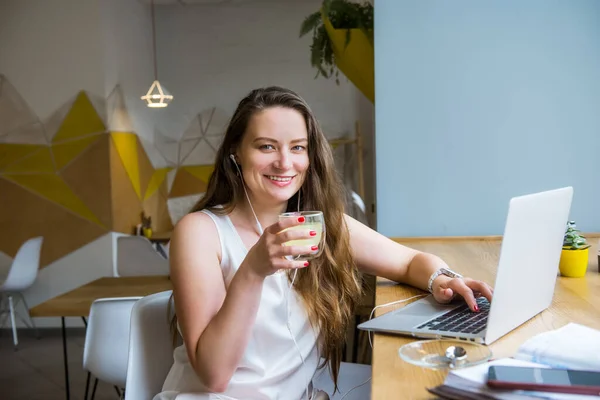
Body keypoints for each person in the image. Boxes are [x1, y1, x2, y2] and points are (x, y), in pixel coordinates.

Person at [154, 86, 493, 400]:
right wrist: (253, 270)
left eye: (297, 147)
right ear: (236, 152)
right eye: (266, 146)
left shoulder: (319, 226)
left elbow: (408, 262)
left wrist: (444, 279)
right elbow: (214, 376)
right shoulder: (200, 232)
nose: (285, 163)